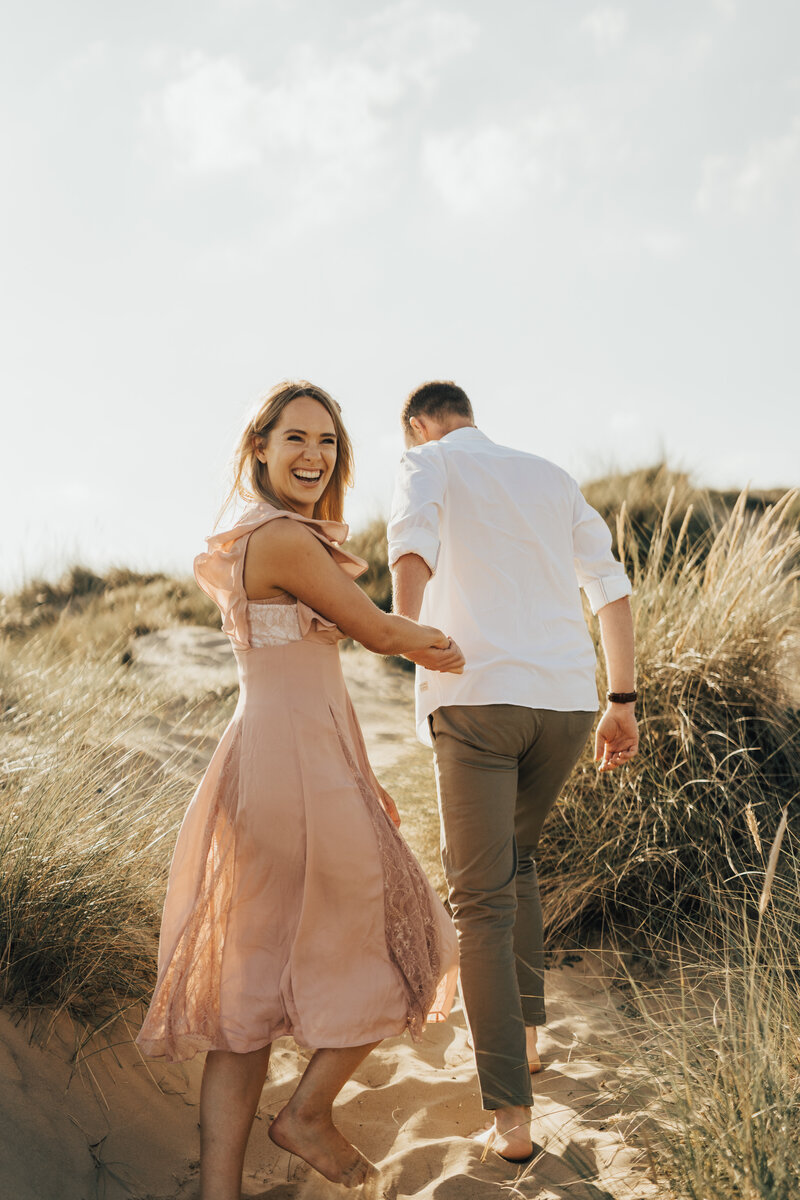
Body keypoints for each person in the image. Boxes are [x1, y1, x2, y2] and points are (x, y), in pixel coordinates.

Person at [136, 381, 462, 1198]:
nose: (313, 454)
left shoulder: (268, 539)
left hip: (283, 760)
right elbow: (384, 632)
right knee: (414, 939)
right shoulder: (282, 538)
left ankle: (222, 1191)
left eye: (327, 442)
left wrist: (364, 772)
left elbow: (319, 680)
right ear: (260, 449)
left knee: (246, 991)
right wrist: (476, 643)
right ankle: (308, 1112)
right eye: (295, 439)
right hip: (293, 770)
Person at [387, 380, 638, 1163]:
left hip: (476, 700)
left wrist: (408, 632)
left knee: (481, 904)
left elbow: (411, 542)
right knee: (516, 863)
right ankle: (527, 1038)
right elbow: (610, 584)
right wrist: (623, 700)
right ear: (470, 414)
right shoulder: (550, 475)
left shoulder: (425, 463)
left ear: (421, 425)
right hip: (566, 705)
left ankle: (511, 1118)